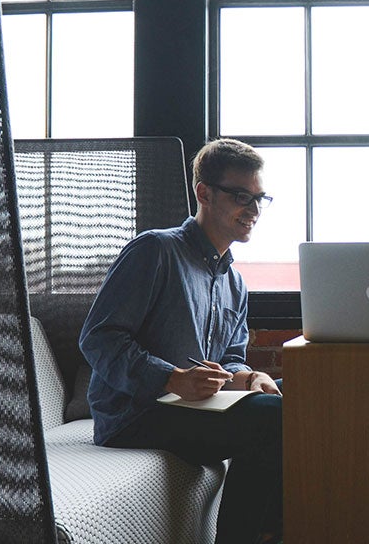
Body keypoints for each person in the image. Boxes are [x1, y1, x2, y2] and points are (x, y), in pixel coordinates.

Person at [79, 138, 283, 544]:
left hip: (195, 411)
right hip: (135, 415)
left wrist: (247, 376)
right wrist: (171, 378)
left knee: (300, 404)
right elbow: (98, 339)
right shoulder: (155, 249)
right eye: (242, 196)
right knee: (272, 419)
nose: (255, 210)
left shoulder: (234, 282)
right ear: (203, 192)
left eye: (262, 198)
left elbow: (230, 357)